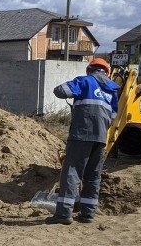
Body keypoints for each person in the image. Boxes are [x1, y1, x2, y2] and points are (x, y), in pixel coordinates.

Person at [45, 58, 119, 225]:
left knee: (72, 172)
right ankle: (87, 214)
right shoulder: (113, 90)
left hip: (81, 134)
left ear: (89, 69)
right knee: (93, 175)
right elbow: (113, 116)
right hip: (100, 138)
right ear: (106, 72)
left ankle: (64, 214)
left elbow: (60, 91)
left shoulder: (84, 81)